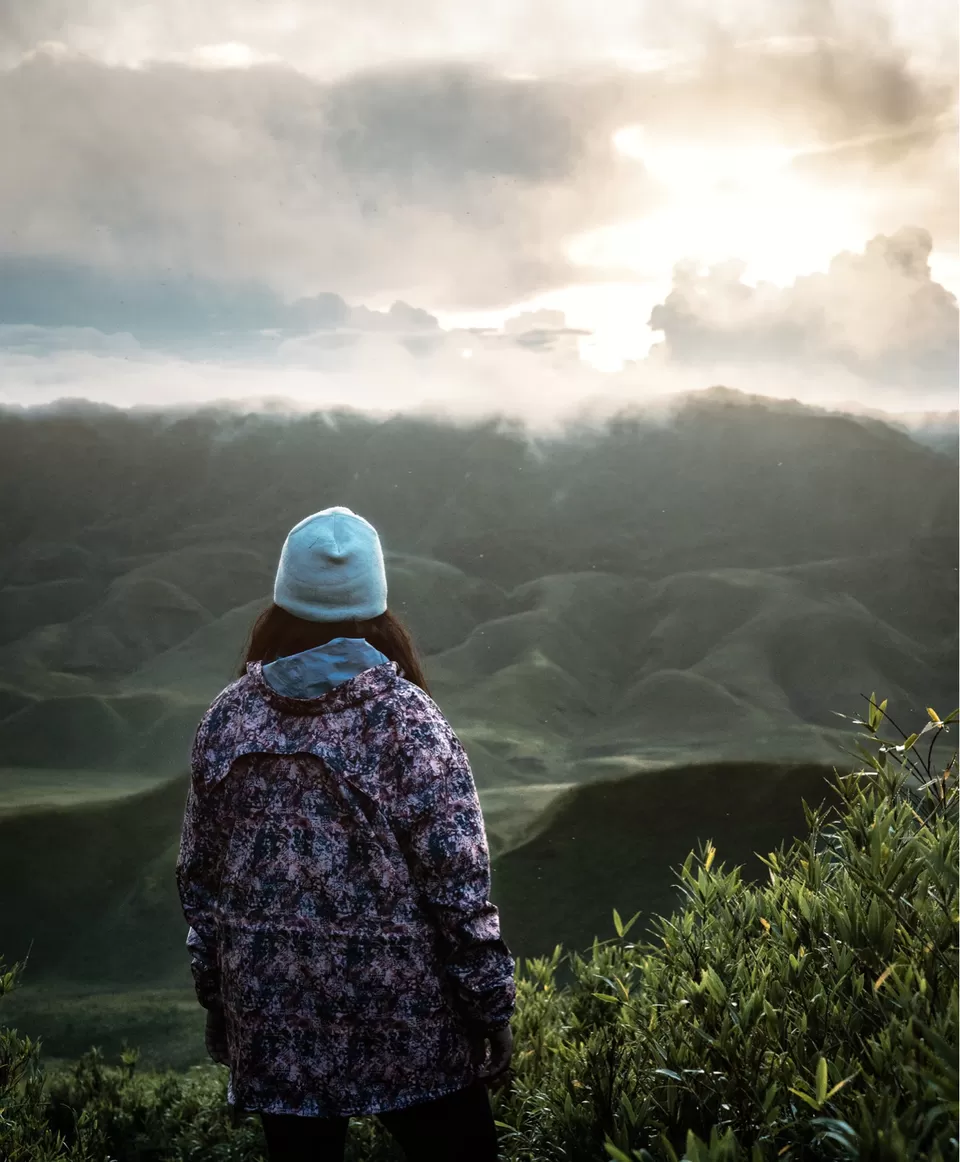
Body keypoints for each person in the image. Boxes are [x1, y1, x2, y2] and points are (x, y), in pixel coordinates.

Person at [176, 506, 515, 1162]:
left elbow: (201, 880)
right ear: (375, 606)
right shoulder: (409, 722)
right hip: (406, 1022)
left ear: (283, 599)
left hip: (272, 1016)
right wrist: (490, 1006)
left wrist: (219, 998)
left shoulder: (228, 719)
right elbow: (458, 886)